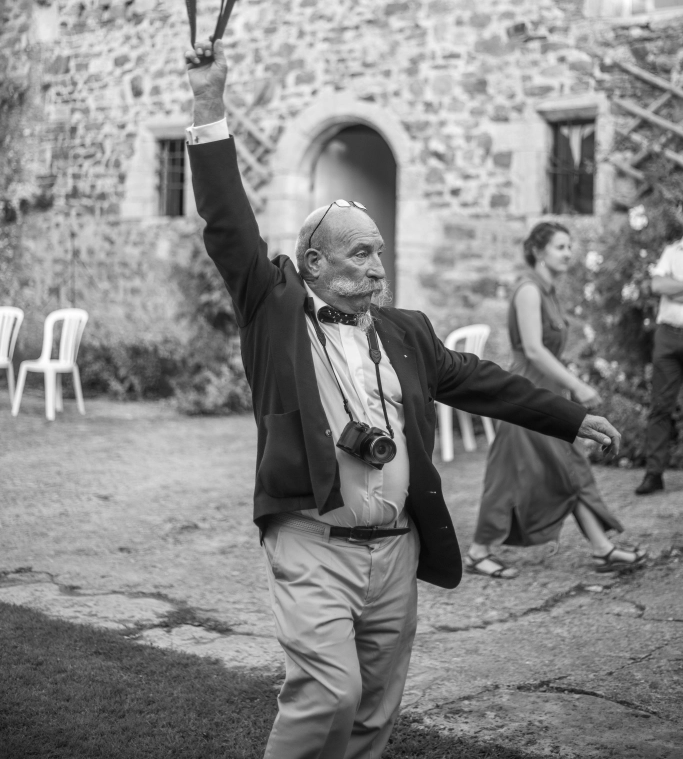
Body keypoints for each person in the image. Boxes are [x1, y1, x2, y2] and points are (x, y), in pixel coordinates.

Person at [184, 42, 622, 759]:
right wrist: (209, 101)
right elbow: (227, 221)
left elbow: (482, 380)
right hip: (311, 541)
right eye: (359, 254)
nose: (376, 266)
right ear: (313, 262)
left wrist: (568, 416)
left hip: (395, 549)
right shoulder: (273, 309)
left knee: (374, 713)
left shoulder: (406, 331)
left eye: (379, 251)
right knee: (327, 694)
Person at [467, 221, 645, 580]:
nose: (568, 253)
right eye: (560, 246)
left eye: (569, 246)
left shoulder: (547, 291)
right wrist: (577, 386)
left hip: (549, 393)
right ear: (538, 251)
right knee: (508, 476)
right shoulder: (529, 290)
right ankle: (478, 552)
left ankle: (602, 548)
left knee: (571, 467)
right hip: (525, 395)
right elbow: (533, 348)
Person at [636, 233, 683, 495]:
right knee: (660, 407)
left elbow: (667, 286)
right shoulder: (673, 250)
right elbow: (657, 285)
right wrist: (669, 286)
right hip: (667, 336)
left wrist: (674, 285)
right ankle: (654, 474)